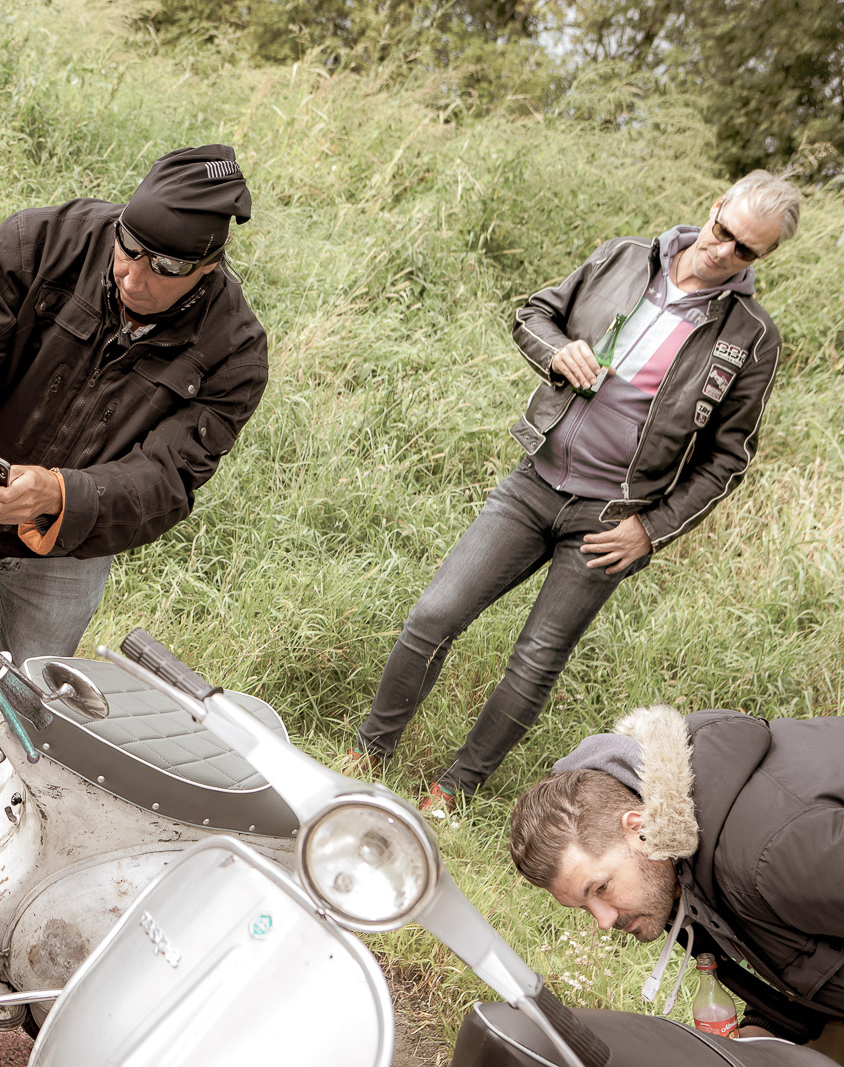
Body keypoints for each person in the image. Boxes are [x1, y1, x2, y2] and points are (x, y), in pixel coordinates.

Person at [0, 145, 269, 805]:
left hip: (70, 544)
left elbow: (168, 479)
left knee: (21, 704)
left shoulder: (235, 349)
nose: (134, 276)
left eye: (166, 267)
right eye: (129, 249)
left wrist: (61, 494)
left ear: (209, 266)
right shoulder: (39, 240)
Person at [350, 171, 802, 812]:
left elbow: (729, 459)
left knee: (536, 661)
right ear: (716, 206)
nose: (722, 251)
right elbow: (533, 315)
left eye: (745, 249)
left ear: (765, 255)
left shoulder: (752, 337)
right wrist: (559, 352)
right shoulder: (624, 257)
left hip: (610, 520)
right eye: (723, 230)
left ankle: (453, 791)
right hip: (533, 483)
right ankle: (368, 754)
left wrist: (651, 530)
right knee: (434, 616)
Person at [508, 705, 844, 1046]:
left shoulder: (773, 855)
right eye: (583, 906)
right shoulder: (670, 869)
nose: (604, 921)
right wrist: (758, 1035)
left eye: (602, 887)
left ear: (638, 827)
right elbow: (793, 952)